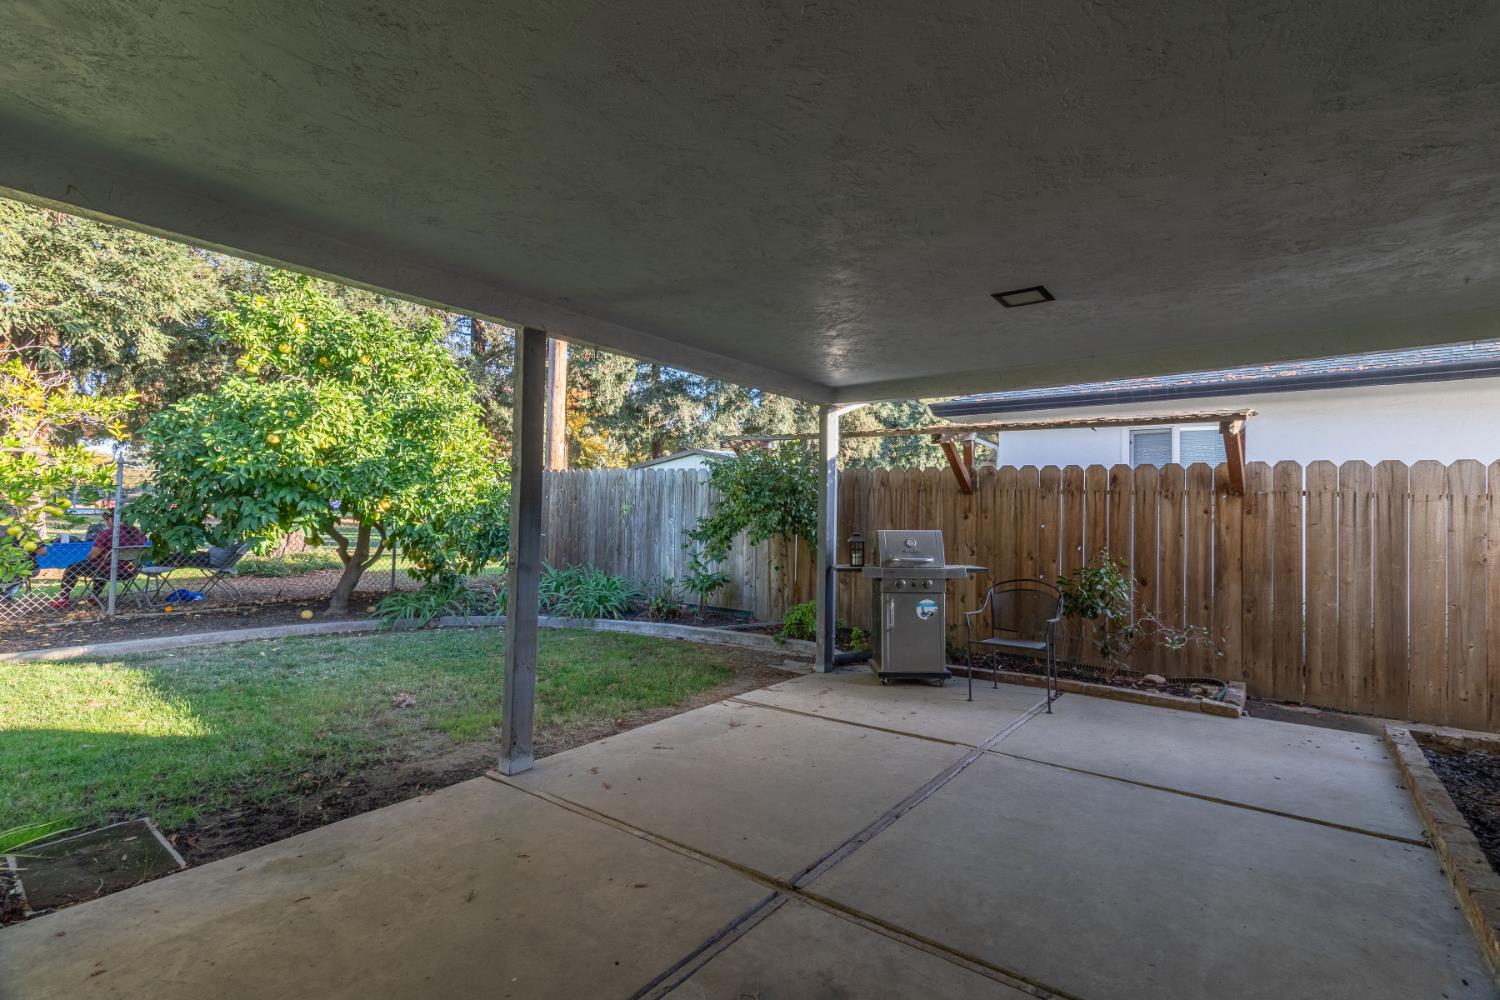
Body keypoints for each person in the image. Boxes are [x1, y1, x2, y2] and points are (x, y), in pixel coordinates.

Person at [51, 511, 147, 609]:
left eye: (106, 521)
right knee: (101, 566)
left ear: (110, 519)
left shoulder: (108, 533)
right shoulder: (138, 533)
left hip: (109, 571)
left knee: (73, 568)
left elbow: (92, 555)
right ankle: (94, 597)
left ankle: (63, 599)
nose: (107, 524)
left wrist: (91, 557)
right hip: (130, 572)